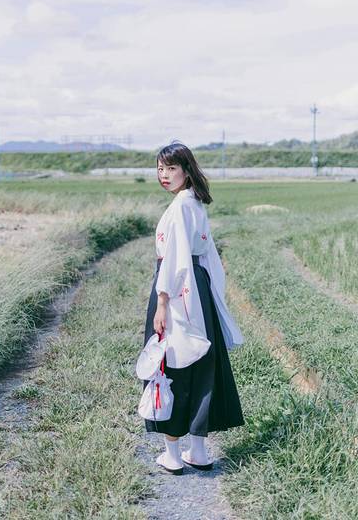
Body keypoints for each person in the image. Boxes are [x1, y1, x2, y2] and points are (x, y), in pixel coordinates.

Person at [143, 141, 245, 475]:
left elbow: (174, 261)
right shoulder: (194, 203)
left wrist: (162, 302)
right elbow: (207, 257)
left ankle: (172, 454)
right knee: (201, 362)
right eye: (160, 168)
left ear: (187, 171)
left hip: (176, 289)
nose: (164, 174)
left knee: (170, 362)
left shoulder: (181, 207)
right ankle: (198, 451)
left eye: (171, 168)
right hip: (197, 287)